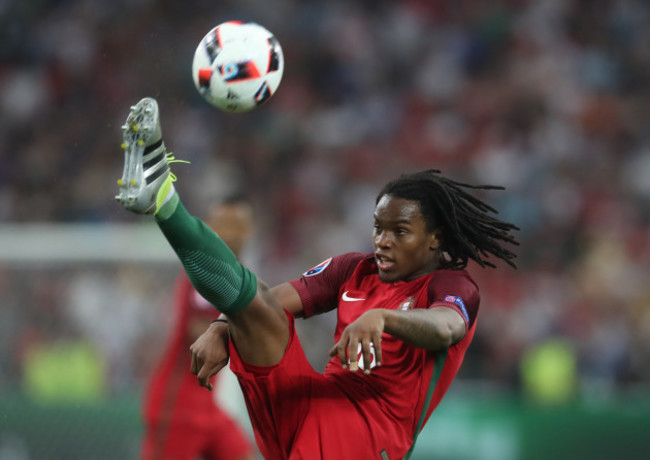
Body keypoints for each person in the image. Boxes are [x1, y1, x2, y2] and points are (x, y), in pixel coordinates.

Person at [116, 97, 519, 460]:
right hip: (306, 402)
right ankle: (163, 199)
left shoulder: (451, 287)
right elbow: (274, 302)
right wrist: (224, 324)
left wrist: (384, 318)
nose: (382, 241)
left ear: (435, 239)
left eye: (399, 231)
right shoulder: (354, 269)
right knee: (258, 302)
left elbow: (446, 328)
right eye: (378, 227)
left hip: (367, 429)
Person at [139, 194, 258, 460]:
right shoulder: (205, 271)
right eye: (224, 224)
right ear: (209, 227)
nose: (232, 233)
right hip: (178, 405)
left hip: (206, 404)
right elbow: (199, 331)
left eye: (239, 225)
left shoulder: (235, 273)